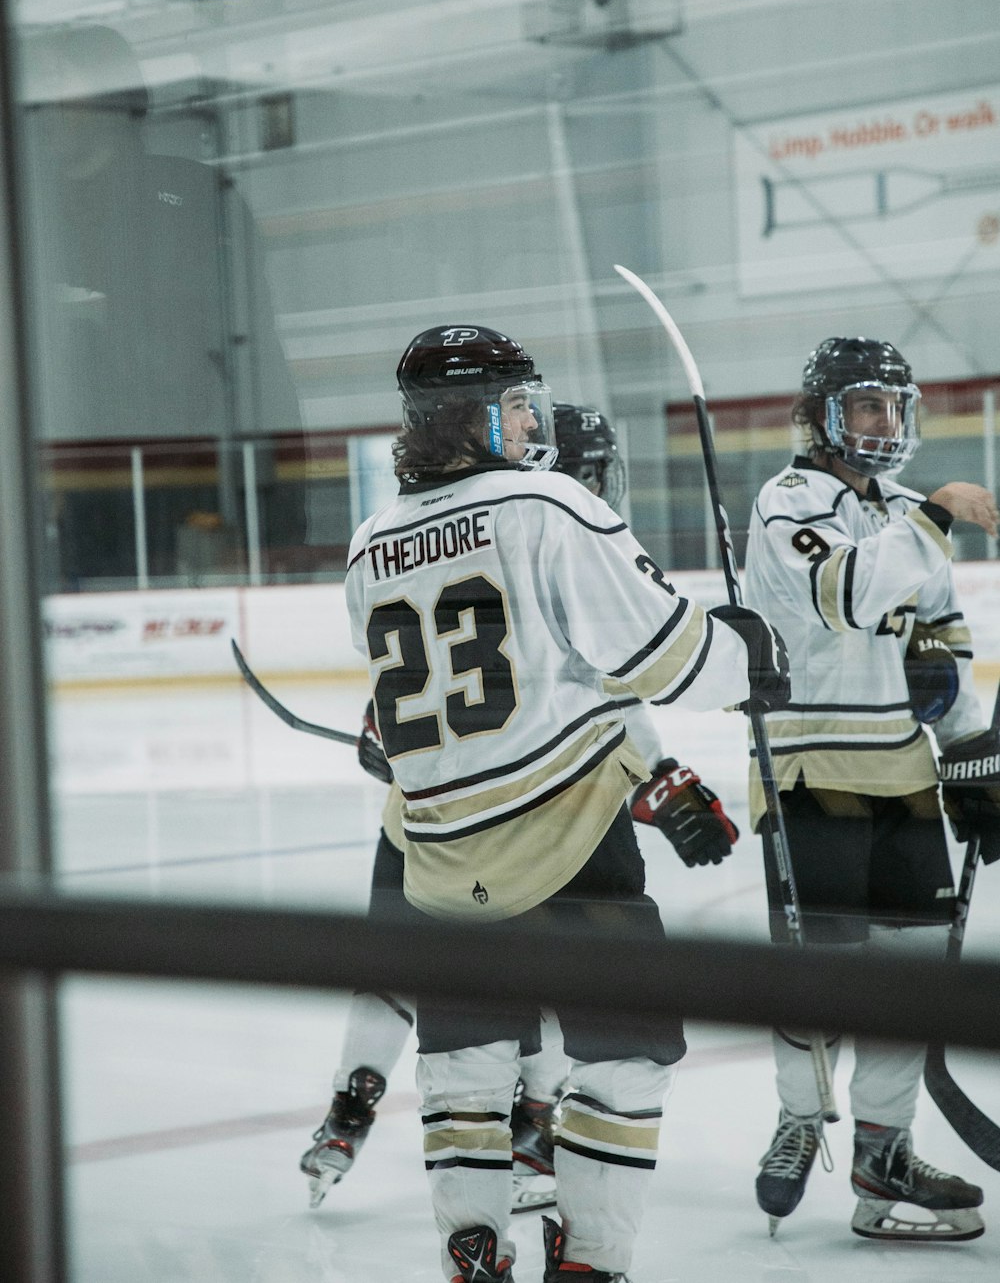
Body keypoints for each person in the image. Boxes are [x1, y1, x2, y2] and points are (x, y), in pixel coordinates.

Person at [343, 326, 789, 1283]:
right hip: (570, 843)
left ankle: (471, 1250)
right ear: (466, 417)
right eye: (511, 405)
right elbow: (657, 656)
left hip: (436, 858)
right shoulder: (544, 502)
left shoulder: (369, 543)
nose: (528, 422)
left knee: (464, 1069)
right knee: (624, 1061)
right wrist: (745, 655)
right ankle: (589, 1260)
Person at [299, 400, 741, 1212]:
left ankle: (375, 1115)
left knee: (435, 992)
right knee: (541, 979)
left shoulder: (406, 534)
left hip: (428, 825)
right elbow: (603, 693)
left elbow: (415, 680)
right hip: (530, 824)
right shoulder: (547, 525)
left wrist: (383, 730)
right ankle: (522, 1131)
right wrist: (662, 776)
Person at [744, 336, 1000, 1242]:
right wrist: (933, 513)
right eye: (864, 407)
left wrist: (973, 752)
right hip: (810, 772)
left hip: (901, 775)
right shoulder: (788, 502)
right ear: (821, 415)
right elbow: (849, 592)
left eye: (894, 407)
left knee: (906, 978)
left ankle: (884, 1150)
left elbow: (940, 646)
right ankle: (798, 1120)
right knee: (819, 973)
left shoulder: (904, 510)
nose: (885, 425)